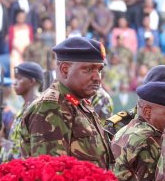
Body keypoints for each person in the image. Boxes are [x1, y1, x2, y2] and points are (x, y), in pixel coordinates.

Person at [17, 37, 113, 167]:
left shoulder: (78, 103)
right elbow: (52, 175)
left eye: (99, 70)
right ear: (64, 69)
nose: (97, 77)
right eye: (89, 69)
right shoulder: (51, 107)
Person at [0, 62, 42, 162]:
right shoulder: (25, 107)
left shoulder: (38, 108)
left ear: (31, 81)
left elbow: (32, 151)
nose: (14, 82)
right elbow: (17, 143)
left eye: (19, 78)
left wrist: (1, 142)